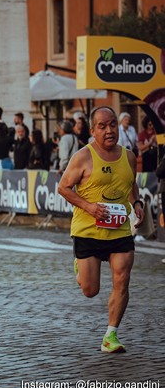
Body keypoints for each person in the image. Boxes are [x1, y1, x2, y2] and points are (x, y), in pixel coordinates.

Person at [58, 106, 144, 353]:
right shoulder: (83, 157)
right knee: (90, 290)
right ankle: (80, 265)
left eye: (113, 125)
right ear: (93, 130)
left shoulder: (128, 156)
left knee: (122, 279)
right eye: (103, 126)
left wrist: (136, 203)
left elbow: (130, 184)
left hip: (119, 231)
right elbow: (63, 188)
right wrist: (89, 207)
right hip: (88, 230)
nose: (109, 130)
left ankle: (111, 335)